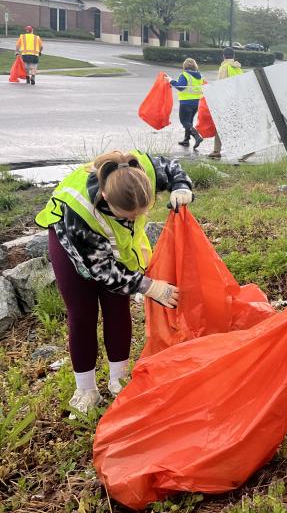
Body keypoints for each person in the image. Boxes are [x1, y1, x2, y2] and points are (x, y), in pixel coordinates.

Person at [35, 150, 194, 416]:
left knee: (117, 308)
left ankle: (118, 380)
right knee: (83, 313)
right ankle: (85, 390)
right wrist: (150, 287)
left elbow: (172, 167)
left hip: (119, 250)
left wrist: (181, 186)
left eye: (139, 214)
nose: (133, 219)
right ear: (106, 198)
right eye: (127, 215)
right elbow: (104, 272)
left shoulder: (139, 172)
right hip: (71, 246)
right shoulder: (80, 211)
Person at [208, 47, 243, 159]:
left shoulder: (224, 67)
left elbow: (221, 85)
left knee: (225, 125)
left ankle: (246, 149)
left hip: (226, 101)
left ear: (223, 56)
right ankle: (216, 150)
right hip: (236, 100)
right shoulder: (238, 68)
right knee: (228, 125)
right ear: (234, 56)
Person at [167, 58, 205, 149]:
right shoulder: (200, 76)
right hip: (196, 103)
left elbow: (180, 87)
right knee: (189, 121)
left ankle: (197, 137)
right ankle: (186, 140)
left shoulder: (185, 75)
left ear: (185, 66)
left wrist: (170, 80)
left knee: (184, 121)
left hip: (186, 102)